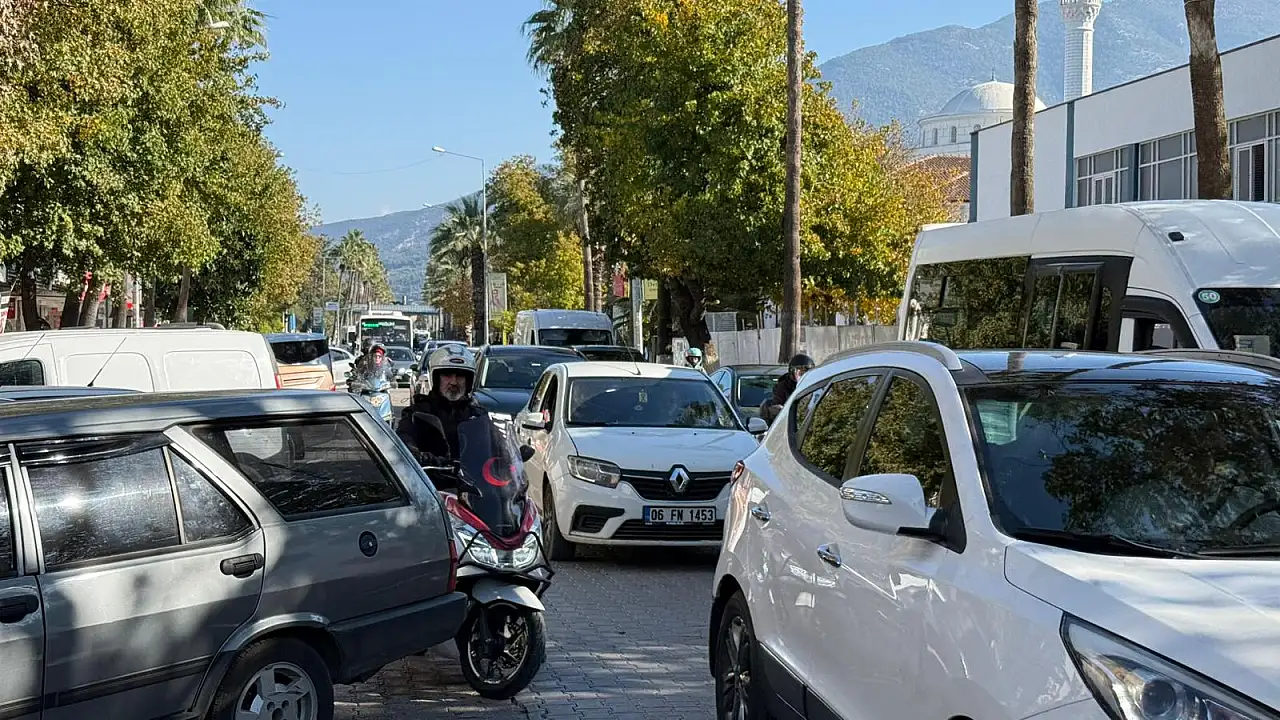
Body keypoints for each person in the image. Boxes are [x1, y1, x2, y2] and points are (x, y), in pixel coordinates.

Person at [397, 344, 489, 475]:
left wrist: (507, 455)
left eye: (460, 376)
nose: (454, 382)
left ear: (468, 380)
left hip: (473, 485)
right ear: (436, 378)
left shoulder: (477, 414)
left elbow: (493, 445)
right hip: (430, 483)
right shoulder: (417, 412)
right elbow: (404, 438)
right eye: (447, 375)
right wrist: (416, 453)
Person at [759, 353, 815, 424]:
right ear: (792, 372)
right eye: (800, 373)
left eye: (806, 372)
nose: (804, 376)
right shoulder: (784, 386)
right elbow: (777, 408)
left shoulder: (815, 384)